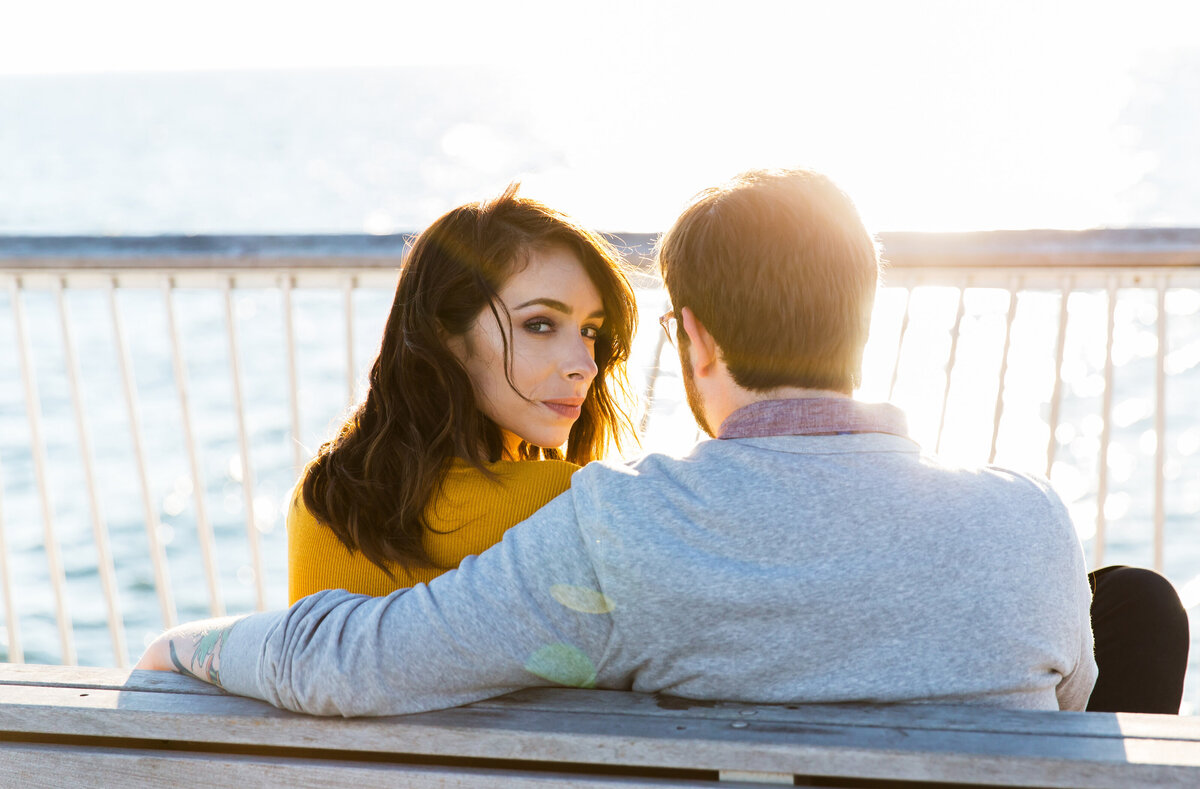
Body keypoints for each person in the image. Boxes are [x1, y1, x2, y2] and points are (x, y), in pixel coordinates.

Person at [138, 168, 1187, 716]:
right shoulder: (1028, 518)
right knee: (1135, 602)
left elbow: (353, 668)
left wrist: (187, 644)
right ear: (864, 327)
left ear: (694, 341)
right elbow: (1070, 722)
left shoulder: (617, 529)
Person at [287, 185, 637, 603]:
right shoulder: (558, 500)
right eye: (539, 324)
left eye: (590, 331)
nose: (585, 365)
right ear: (444, 334)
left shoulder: (321, 491)